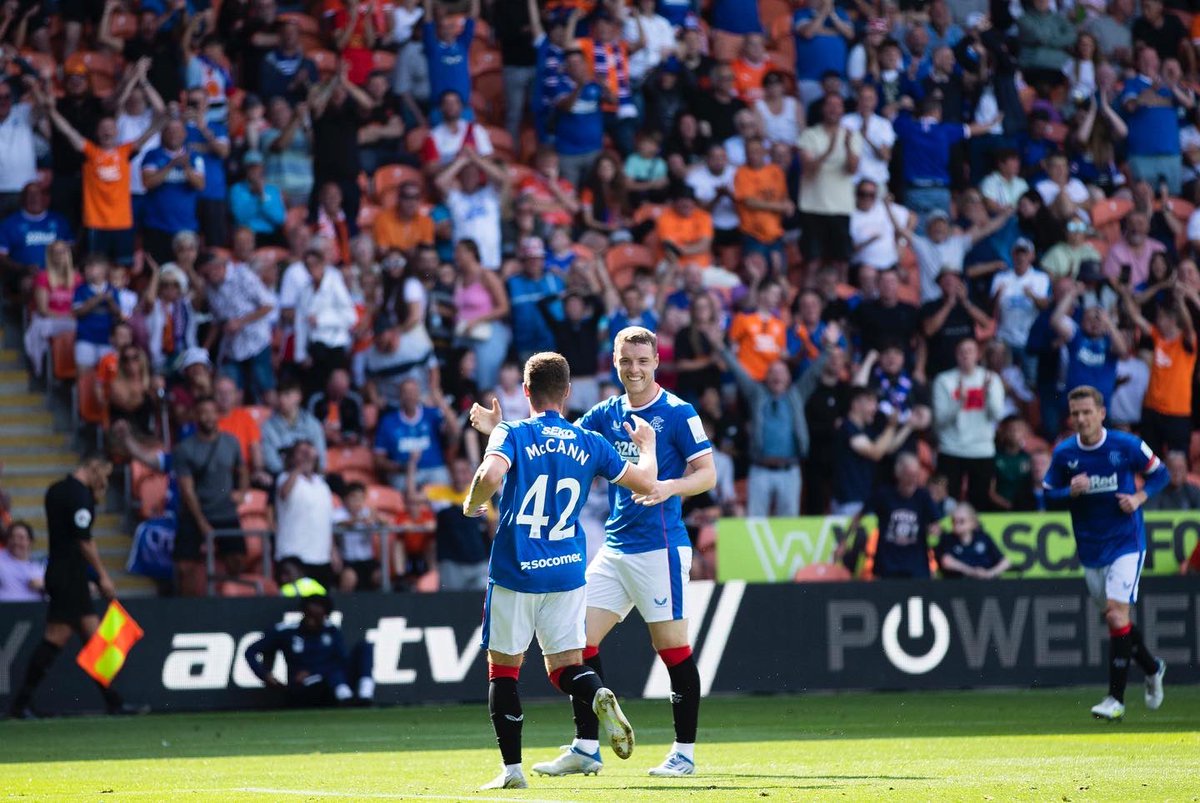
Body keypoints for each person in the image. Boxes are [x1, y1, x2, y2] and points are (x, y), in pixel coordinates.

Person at [475, 327, 717, 778]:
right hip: (615, 546)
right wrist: (499, 432)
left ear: (657, 362)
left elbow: (707, 474)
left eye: (642, 361)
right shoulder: (605, 413)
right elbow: (559, 443)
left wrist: (669, 486)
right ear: (615, 361)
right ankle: (587, 746)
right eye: (626, 360)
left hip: (660, 548)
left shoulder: (678, 413)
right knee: (577, 645)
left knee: (672, 648)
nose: (634, 369)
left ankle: (684, 752)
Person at [462, 351, 659, 790]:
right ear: (568, 392)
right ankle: (596, 692)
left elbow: (492, 473)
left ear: (526, 391)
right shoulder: (589, 442)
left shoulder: (513, 432)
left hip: (517, 571)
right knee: (565, 667)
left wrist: (474, 502)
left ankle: (512, 770)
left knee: (504, 670)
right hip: (569, 571)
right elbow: (647, 484)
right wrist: (647, 448)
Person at [1042, 385, 1169, 720]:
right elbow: (1046, 496)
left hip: (1127, 542)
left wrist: (1139, 498)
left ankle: (1115, 700)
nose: (1081, 419)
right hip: (1090, 548)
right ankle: (1153, 668)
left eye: (1087, 412)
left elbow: (1161, 473)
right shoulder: (1064, 454)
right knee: (1117, 621)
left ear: (1101, 413)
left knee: (1115, 614)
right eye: (1075, 414)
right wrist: (1069, 491)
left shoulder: (1125, 445)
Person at [6, 451, 140, 718]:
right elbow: (83, 540)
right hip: (69, 576)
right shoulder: (80, 496)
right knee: (56, 637)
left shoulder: (55, 490)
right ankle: (20, 705)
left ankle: (114, 701)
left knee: (94, 638)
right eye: (104, 474)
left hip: (64, 572)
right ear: (93, 467)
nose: (104, 481)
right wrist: (102, 575)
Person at [173, 396, 249, 597]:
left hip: (225, 511)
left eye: (211, 412)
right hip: (195, 512)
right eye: (202, 412)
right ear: (195, 416)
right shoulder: (185, 448)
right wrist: (201, 522)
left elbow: (242, 469)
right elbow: (187, 490)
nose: (207, 417)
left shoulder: (232, 442)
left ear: (217, 414)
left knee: (238, 561)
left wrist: (242, 492)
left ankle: (231, 601)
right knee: (184, 566)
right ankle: (187, 607)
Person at [245, 592, 375, 707]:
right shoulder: (287, 631)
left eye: (317, 617)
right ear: (303, 612)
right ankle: (346, 699)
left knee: (365, 647)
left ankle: (365, 696)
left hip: (333, 680)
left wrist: (315, 670)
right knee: (329, 675)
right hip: (304, 687)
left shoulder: (331, 631)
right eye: (309, 615)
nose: (311, 621)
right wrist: (265, 675)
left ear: (325, 616)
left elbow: (342, 660)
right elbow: (250, 651)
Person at [275, 440, 337, 589]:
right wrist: (297, 468)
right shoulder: (285, 478)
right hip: (292, 554)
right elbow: (284, 493)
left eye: (309, 452)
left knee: (320, 604)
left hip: (320, 555)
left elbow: (327, 520)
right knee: (291, 603)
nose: (306, 456)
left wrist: (333, 549)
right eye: (301, 452)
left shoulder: (322, 484)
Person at [937, 503, 1011, 579]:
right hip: (958, 585)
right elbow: (947, 562)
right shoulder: (947, 539)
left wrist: (989, 574)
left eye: (962, 521)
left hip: (986, 584)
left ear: (972, 522)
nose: (957, 525)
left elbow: (1005, 562)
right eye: (954, 521)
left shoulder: (983, 538)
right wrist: (972, 572)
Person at [0, 521, 44, 602]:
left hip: (33, 611)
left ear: (30, 542)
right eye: (12, 537)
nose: (16, 542)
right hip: (5, 611)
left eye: (21, 538)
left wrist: (43, 585)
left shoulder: (37, 567)